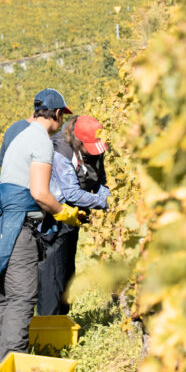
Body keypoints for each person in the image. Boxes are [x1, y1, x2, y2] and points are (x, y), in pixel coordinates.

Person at [0, 89, 82, 367]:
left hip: (1, 226)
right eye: (62, 116)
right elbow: (40, 193)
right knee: (23, 297)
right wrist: (65, 213)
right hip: (19, 229)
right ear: (55, 114)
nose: (61, 123)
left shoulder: (21, 135)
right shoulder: (41, 141)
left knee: (3, 296)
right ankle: (10, 365)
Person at [37, 115, 110, 316]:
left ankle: (61, 319)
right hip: (55, 217)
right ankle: (48, 326)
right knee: (53, 272)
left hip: (74, 216)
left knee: (67, 270)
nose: (95, 154)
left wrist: (104, 194)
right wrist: (105, 202)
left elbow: (102, 179)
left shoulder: (96, 149)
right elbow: (72, 193)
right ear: (78, 141)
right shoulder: (61, 151)